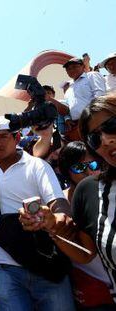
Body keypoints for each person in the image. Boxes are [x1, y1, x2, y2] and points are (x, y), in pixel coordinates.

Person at [0, 116, 75, 310]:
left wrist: (59, 218)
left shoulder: (37, 166)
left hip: (44, 263)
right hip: (4, 267)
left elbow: (58, 201)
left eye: (3, 136)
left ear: (17, 137)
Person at [32, 93, 116, 308]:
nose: (106, 139)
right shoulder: (89, 193)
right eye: (95, 138)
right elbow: (86, 253)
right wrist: (53, 229)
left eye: (112, 125)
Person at [57, 141, 114, 309]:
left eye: (94, 164)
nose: (89, 171)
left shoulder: (111, 193)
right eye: (79, 168)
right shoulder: (59, 201)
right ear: (65, 170)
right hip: (89, 291)